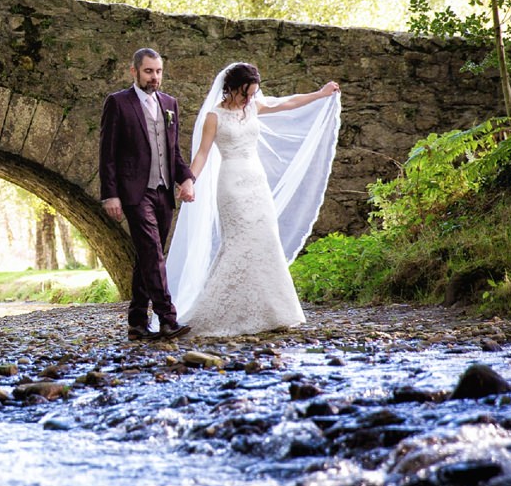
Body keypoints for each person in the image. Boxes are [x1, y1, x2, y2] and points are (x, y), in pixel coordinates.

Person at [165, 62, 341, 337]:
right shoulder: (214, 116)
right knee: (238, 243)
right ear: (231, 89)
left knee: (265, 240)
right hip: (231, 184)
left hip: (256, 182)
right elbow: (202, 154)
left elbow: (289, 103)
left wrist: (320, 94)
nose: (249, 99)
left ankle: (273, 311)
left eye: (253, 93)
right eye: (245, 93)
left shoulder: (253, 106)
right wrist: (190, 180)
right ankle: (215, 313)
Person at [99, 48, 196, 342]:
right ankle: (168, 319)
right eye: (148, 72)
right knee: (153, 254)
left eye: (158, 72)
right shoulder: (118, 103)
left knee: (147, 257)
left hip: (164, 191)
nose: (154, 78)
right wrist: (110, 195)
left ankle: (137, 322)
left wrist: (186, 179)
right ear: (134, 71)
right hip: (134, 192)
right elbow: (108, 154)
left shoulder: (170, 104)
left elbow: (173, 151)